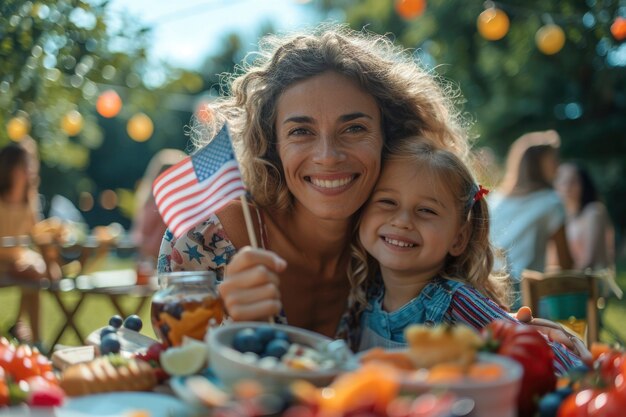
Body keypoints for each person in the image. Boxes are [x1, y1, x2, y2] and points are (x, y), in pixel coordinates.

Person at [158, 25, 588, 358]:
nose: (328, 155)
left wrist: (511, 333)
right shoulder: (210, 239)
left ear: (390, 137)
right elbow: (173, 375)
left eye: (355, 128)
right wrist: (227, 331)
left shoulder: (388, 238)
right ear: (271, 144)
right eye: (301, 131)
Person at [338, 138, 581, 374]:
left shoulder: (460, 303)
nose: (402, 221)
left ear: (459, 238)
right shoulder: (363, 292)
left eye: (426, 210)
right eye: (387, 201)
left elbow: (565, 367)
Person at [489, 130, 574, 308]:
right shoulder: (550, 201)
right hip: (525, 296)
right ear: (538, 165)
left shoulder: (495, 199)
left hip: (486, 287)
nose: (558, 166)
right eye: (553, 160)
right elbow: (566, 264)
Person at [0, 143, 46, 344]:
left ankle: (35, 339)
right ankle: (18, 326)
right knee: (32, 272)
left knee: (36, 270)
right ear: (10, 167)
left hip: (17, 260)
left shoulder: (30, 200)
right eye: (24, 164)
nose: (29, 169)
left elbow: (38, 234)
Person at [553, 162, 615, 272]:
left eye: (573, 181)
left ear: (583, 184)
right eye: (562, 181)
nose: (567, 187)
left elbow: (589, 262)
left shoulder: (594, 211)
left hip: (595, 283)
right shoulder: (562, 218)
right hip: (576, 281)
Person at [132, 149, 186, 261]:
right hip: (159, 260)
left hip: (147, 259)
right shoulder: (167, 206)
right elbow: (156, 243)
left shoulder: (149, 203)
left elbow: (138, 237)